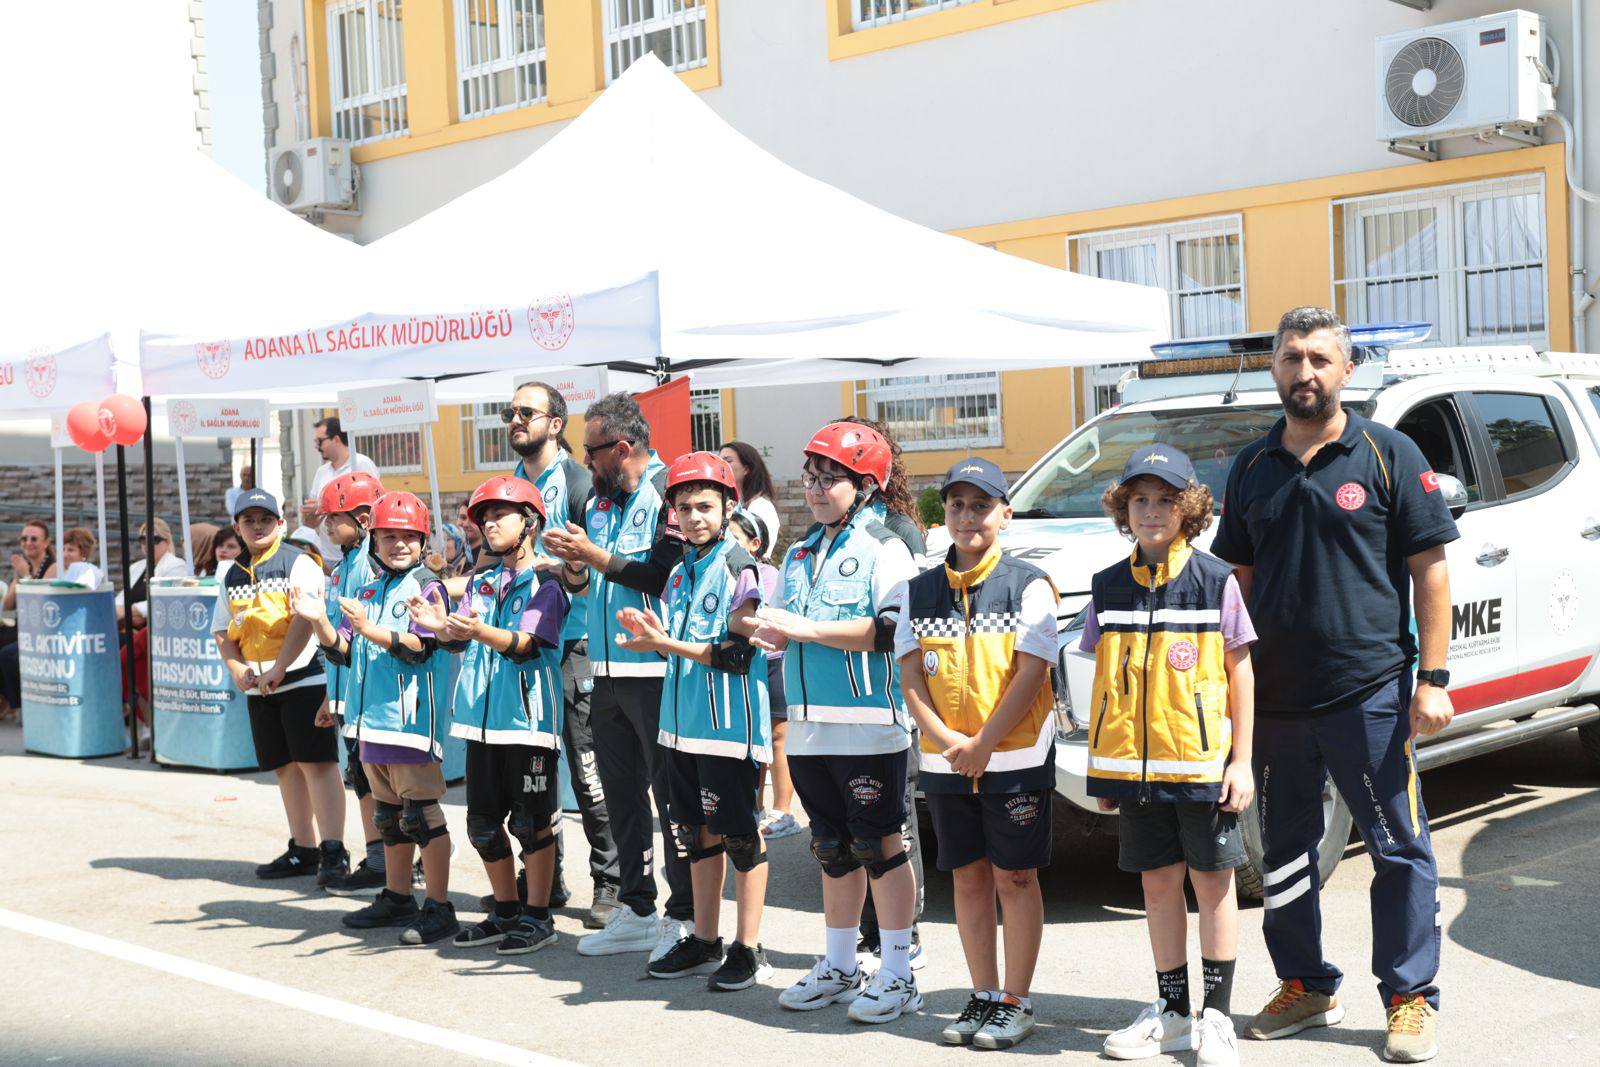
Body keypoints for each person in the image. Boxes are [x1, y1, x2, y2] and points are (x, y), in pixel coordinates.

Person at [1211, 308, 1457, 1064]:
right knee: (1285, 856)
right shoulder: (1252, 466)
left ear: (1346, 369)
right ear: (1275, 369)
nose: (1305, 370)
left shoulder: (1387, 452)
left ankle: (1410, 996)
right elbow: (1236, 590)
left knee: (1397, 849)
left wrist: (1434, 678)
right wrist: (1228, 700)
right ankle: (1306, 983)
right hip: (1279, 703)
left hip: (1370, 695)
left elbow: (1431, 570)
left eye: (1320, 357)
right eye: (1291, 357)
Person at [1086, 445, 1255, 1067]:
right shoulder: (1106, 586)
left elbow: (1242, 674)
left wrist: (1241, 761)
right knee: (1157, 887)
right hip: (1134, 773)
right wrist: (1106, 764)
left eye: (1165, 499)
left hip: (1203, 766)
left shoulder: (1216, 582)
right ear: (1123, 509)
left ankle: (1218, 1016)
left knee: (1213, 885)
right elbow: (1102, 677)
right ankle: (1175, 1013)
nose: (1152, 511)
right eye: (1139, 500)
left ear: (1189, 508)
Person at [751, 421, 922, 1024]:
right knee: (831, 848)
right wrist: (772, 628)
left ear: (867, 485)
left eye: (833, 480)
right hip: (806, 722)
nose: (817, 489)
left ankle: (899, 972)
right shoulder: (800, 552)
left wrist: (804, 629)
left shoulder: (886, 546)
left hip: (870, 721)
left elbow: (889, 630)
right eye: (813, 478)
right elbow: (793, 625)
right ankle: (840, 965)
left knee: (879, 846)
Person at [896, 457, 1056, 1050]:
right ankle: (984, 994)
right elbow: (910, 677)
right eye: (958, 505)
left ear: (1005, 515)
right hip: (946, 763)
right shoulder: (918, 589)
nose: (968, 517)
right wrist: (945, 741)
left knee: (1016, 878)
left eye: (981, 505)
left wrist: (984, 743)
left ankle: (1017, 999)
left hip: (1012, 759)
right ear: (945, 516)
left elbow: (1032, 673)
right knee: (967, 878)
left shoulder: (1028, 584)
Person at [542, 391, 694, 961]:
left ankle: (682, 917)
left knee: (670, 798)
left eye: (591, 450)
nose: (585, 462)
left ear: (623, 447)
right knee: (621, 799)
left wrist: (597, 558)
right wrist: (575, 568)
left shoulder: (669, 495)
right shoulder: (598, 502)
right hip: (603, 672)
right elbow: (588, 587)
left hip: (656, 674)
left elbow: (665, 575)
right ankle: (636, 907)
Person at [613, 453, 773, 991]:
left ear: (729, 507)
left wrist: (665, 642)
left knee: (740, 837)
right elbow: (678, 649)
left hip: (729, 730)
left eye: (705, 505)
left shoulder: (737, 565)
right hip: (680, 726)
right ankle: (705, 939)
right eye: (684, 507)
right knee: (694, 836)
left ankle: (748, 948)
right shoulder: (679, 571)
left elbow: (735, 653)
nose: (694, 516)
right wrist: (656, 633)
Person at [296, 491, 459, 947]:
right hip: (370, 723)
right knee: (388, 818)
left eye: (408, 536)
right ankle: (397, 896)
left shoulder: (428, 586)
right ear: (374, 540)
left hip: (409, 725)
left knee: (422, 817)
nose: (399, 544)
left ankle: (440, 907)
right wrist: (318, 623)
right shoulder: (366, 589)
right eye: (389, 536)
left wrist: (372, 630)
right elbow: (344, 652)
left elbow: (421, 646)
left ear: (422, 538)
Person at [421, 476, 568, 955]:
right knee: (483, 825)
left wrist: (477, 630)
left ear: (530, 523)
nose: (488, 522)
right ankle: (505, 912)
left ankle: (538, 915)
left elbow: (528, 646)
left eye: (500, 514)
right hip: (479, 722)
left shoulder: (548, 580)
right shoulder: (483, 581)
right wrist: (439, 628)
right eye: (483, 516)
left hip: (528, 723)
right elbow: (458, 638)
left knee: (532, 824)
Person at [505, 380, 621, 929]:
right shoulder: (508, 488)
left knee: (587, 767)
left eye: (526, 412)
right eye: (510, 413)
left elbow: (601, 564)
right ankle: (543, 880)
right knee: (532, 766)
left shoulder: (579, 483)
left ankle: (612, 882)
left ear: (556, 423)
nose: (514, 420)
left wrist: (558, 571)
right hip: (526, 645)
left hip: (575, 643)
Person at [212, 488, 347, 884]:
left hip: (304, 679)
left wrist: (281, 667)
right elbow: (223, 630)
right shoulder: (232, 572)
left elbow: (306, 620)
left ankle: (333, 851)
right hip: (260, 687)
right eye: (248, 520)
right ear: (236, 527)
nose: (257, 526)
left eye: (265, 519)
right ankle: (303, 848)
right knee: (285, 769)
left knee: (318, 766)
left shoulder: (298, 562)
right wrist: (237, 669)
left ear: (281, 523)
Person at [837, 414, 928, 969]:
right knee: (850, 836)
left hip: (889, 703)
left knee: (893, 829)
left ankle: (901, 937)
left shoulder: (897, 530)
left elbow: (898, 623)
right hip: (838, 715)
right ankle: (868, 941)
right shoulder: (829, 535)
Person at [312, 471, 390, 898]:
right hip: (346, 690)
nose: (326, 526)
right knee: (361, 776)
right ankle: (379, 857)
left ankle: (387, 862)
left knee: (378, 779)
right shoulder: (345, 564)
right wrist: (330, 695)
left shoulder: (369, 563)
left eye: (332, 518)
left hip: (369, 688)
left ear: (362, 517)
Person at [728, 510, 800, 841]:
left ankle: (783, 810)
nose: (730, 546)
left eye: (737, 540)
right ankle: (753, 806)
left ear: (756, 544)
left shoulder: (768, 574)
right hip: (748, 663)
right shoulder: (726, 571)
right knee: (753, 742)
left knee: (777, 739)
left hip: (774, 662)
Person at [0, 527, 100, 716]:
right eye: (63, 549)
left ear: (83, 553)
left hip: (66, 632)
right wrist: (21, 575)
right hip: (44, 627)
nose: (65, 554)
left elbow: (46, 600)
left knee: (8, 654)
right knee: (8, 652)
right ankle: (16, 704)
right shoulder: (57, 568)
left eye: (71, 550)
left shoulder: (89, 573)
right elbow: (10, 603)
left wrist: (26, 575)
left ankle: (20, 706)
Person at [303, 417, 379, 565]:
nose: (317, 447)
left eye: (320, 441)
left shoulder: (361, 464)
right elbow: (312, 523)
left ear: (336, 439)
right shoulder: (321, 471)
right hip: (326, 554)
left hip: (358, 555)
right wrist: (311, 514)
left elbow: (374, 507)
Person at [116, 518, 194, 626]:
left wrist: (133, 610)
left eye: (154, 539)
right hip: (129, 626)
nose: (147, 544)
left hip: (157, 628)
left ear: (167, 542)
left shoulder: (176, 565)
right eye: (143, 539)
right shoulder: (136, 567)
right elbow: (120, 600)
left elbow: (167, 600)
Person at [718, 441, 780, 560]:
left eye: (728, 460)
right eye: (720, 461)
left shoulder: (761, 506)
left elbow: (762, 554)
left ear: (746, 469)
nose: (722, 466)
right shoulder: (722, 504)